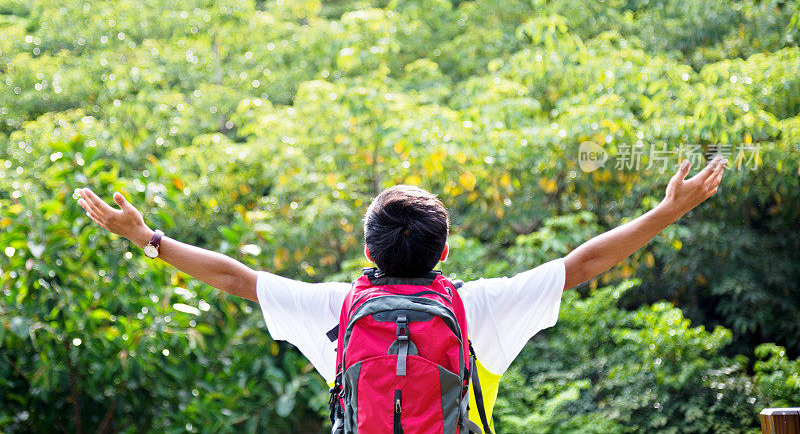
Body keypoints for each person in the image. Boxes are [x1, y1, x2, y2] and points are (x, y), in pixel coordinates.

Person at [77, 156, 727, 430]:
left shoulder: (337, 310)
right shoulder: (478, 306)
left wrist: (148, 238)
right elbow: (582, 263)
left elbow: (233, 277)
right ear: (444, 251)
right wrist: (668, 210)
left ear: (368, 253)